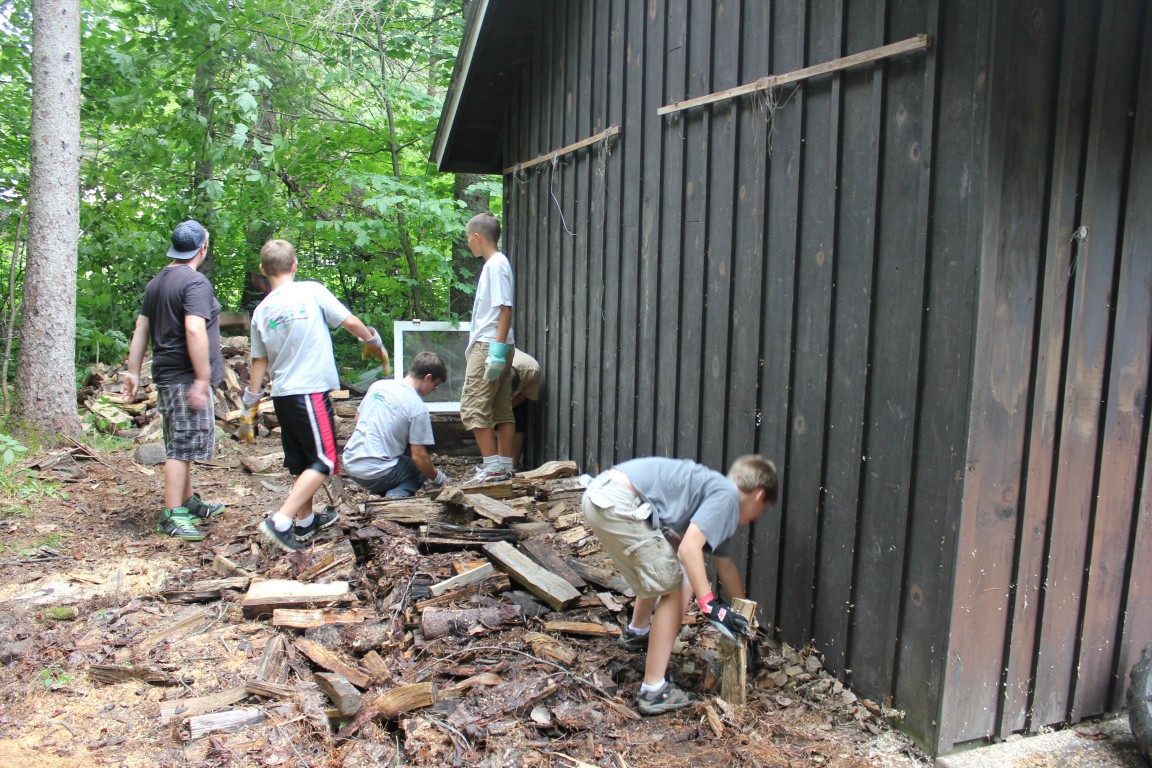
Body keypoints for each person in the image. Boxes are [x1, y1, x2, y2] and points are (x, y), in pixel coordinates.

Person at [581, 455, 777, 716]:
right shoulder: (727, 497)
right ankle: (653, 690)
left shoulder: (715, 490)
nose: (755, 517)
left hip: (601, 496)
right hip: (619, 502)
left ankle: (637, 633)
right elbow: (688, 549)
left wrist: (744, 620)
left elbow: (725, 565)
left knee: (666, 568)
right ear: (758, 494)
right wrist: (710, 605)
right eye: (761, 510)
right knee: (679, 585)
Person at [243, 238, 387, 553]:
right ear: (294, 265)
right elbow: (348, 321)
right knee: (324, 459)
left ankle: (306, 523)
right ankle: (280, 521)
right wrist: (372, 339)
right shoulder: (311, 290)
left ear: (264, 270)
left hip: (282, 394)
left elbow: (259, 360)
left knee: (302, 461)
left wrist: (251, 397)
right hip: (309, 390)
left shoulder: (261, 311)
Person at [124, 220, 226, 541]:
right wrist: (202, 376)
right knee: (181, 448)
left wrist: (132, 371)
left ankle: (186, 499)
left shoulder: (156, 283)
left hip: (167, 376)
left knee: (179, 440)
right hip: (186, 378)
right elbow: (195, 329)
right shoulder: (195, 283)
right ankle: (172, 515)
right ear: (202, 249)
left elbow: (141, 330)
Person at [459, 212, 517, 485]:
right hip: (498, 344)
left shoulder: (496, 265)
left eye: (468, 237)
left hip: (489, 346)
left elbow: (505, 308)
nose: (468, 243)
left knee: (472, 407)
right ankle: (505, 468)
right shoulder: (495, 265)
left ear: (477, 236)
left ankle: (493, 468)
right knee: (500, 407)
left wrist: (496, 351)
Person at [342, 352, 449, 499]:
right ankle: (394, 498)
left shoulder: (379, 385)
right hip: (375, 472)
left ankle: (379, 492)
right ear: (428, 378)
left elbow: (357, 419)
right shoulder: (417, 407)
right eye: (435, 385)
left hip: (350, 463)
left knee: (405, 453)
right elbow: (419, 457)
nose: (433, 390)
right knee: (420, 470)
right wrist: (440, 479)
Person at [509, 350, 541, 470]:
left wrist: (509, 405)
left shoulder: (532, 371)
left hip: (522, 382)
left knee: (518, 420)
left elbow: (526, 395)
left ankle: (512, 466)